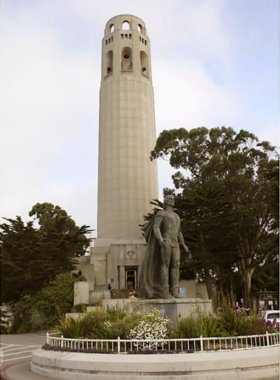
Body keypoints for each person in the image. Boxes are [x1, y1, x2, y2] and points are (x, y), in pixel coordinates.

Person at [140, 194, 191, 299]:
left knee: (176, 265)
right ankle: (164, 291)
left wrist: (183, 244)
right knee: (165, 264)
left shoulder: (177, 216)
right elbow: (156, 227)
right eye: (170, 199)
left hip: (175, 242)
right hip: (166, 240)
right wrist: (159, 238)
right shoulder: (161, 213)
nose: (173, 200)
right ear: (166, 201)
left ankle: (175, 291)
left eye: (173, 198)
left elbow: (179, 231)